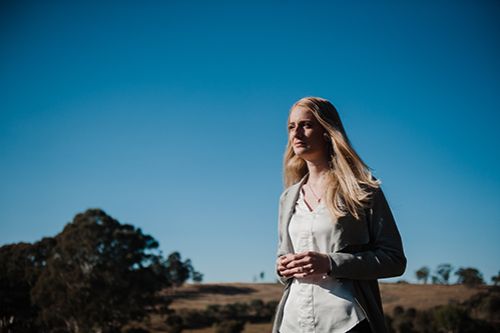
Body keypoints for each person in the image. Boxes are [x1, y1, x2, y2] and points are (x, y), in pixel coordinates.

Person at [272, 97, 406, 333]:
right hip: (293, 323)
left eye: (307, 125)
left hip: (345, 322)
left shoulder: (363, 189)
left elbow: (394, 260)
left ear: (327, 131)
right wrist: (283, 267)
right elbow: (283, 260)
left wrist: (330, 263)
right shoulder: (287, 197)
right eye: (292, 127)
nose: (297, 134)